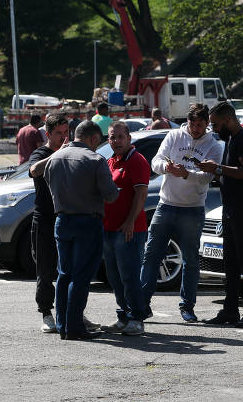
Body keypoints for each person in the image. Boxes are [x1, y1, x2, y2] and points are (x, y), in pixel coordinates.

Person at [141, 104, 223, 323]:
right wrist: (168, 168)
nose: (196, 129)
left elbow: (208, 177)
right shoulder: (174, 136)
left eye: (200, 125)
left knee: (191, 260)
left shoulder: (213, 145)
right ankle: (142, 304)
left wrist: (187, 174)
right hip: (166, 204)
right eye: (192, 124)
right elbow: (155, 162)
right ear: (186, 122)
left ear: (207, 124)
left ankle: (187, 306)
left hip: (193, 208)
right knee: (151, 255)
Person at [43, 120, 119, 340]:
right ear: (94, 138)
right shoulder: (96, 160)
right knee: (81, 276)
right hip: (88, 221)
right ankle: (75, 327)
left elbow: (50, 185)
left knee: (64, 274)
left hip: (62, 221)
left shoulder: (54, 158)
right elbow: (111, 195)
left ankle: (63, 324)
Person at [201, 102, 243, 328]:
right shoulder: (231, 139)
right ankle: (230, 310)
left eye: (216, 124)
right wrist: (215, 171)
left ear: (228, 120)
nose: (214, 129)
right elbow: (231, 173)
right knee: (229, 260)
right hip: (231, 206)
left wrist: (217, 169)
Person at [100, 122, 150, 336]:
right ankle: (123, 316)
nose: (117, 141)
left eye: (121, 137)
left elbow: (141, 195)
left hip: (129, 230)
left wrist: (130, 221)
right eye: (113, 137)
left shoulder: (137, 161)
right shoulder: (110, 161)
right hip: (109, 230)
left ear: (129, 138)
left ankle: (137, 318)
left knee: (129, 277)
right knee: (115, 277)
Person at [27, 114, 70, 334]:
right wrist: (59, 154)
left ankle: (72, 311)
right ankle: (46, 312)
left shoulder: (71, 152)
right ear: (47, 134)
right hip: (45, 219)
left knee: (70, 269)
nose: (64, 137)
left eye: (66, 132)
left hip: (68, 217)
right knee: (45, 268)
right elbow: (34, 170)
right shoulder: (41, 153)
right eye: (58, 133)